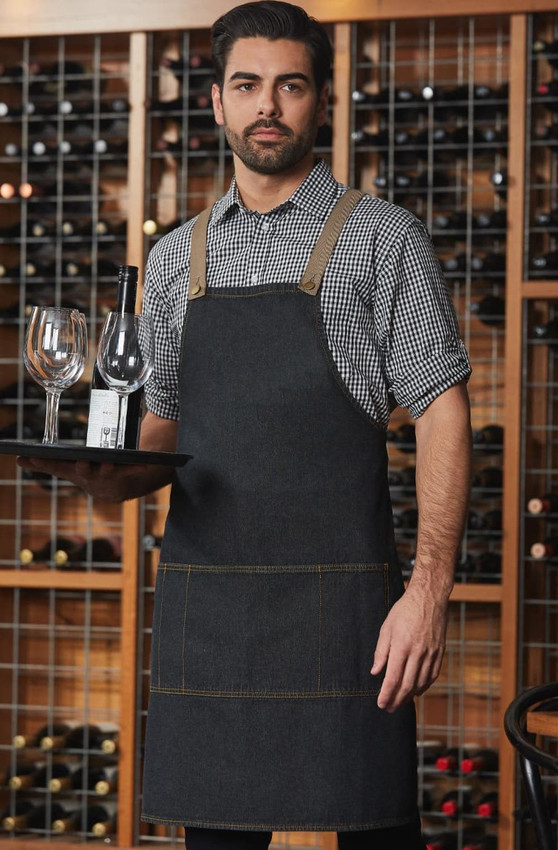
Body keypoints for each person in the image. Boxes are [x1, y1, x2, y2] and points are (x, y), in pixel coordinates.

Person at [19, 2, 473, 848]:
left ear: (322, 101)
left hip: (349, 621)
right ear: (216, 103)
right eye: (248, 84)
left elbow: (444, 409)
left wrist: (428, 591)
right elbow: (161, 435)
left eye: (290, 85)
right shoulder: (174, 259)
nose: (269, 105)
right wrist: (101, 479)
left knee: (377, 836)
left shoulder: (380, 240)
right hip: (212, 621)